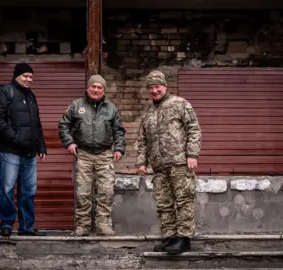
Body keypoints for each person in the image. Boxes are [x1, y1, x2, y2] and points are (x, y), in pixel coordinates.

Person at [135, 70, 201, 254]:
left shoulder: (180, 104)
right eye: (151, 87)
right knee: (163, 203)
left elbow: (193, 129)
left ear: (165, 86)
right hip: (159, 166)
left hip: (180, 162)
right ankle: (170, 237)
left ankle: (184, 239)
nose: (154, 90)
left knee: (184, 200)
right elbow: (142, 139)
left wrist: (192, 155)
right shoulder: (148, 113)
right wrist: (142, 162)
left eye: (157, 86)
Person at [58, 74, 126, 236]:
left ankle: (103, 224)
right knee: (83, 191)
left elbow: (119, 130)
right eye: (93, 86)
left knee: (106, 191)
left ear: (104, 90)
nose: (96, 90)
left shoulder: (111, 108)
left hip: (105, 155)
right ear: (87, 88)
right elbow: (63, 125)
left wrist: (119, 148)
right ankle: (83, 225)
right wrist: (69, 142)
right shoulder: (76, 105)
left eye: (99, 87)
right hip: (84, 154)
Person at [0, 62, 47, 237]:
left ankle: (26, 227)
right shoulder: (5, 92)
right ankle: (6, 224)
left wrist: (41, 145)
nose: (29, 80)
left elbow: (37, 124)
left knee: (28, 191)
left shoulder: (31, 96)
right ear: (16, 76)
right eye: (25, 76)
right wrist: (16, 139)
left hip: (29, 153)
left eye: (31, 77)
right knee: (7, 189)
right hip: (9, 151)